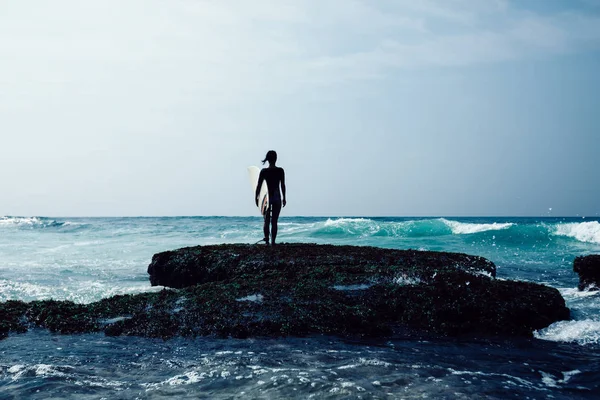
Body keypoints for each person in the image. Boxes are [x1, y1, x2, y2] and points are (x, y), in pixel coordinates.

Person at [256, 150, 286, 245]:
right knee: (274, 221)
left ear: (268, 160)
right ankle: (273, 241)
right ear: (276, 159)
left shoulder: (264, 171)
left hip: (267, 198)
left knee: (266, 220)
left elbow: (259, 186)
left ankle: (267, 240)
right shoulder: (280, 170)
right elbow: (283, 185)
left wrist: (257, 197)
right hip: (277, 196)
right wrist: (284, 197)